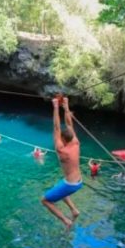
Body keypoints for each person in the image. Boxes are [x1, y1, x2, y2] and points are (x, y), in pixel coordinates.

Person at [41, 97, 82, 228]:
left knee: (45, 200)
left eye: (60, 138)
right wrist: (66, 106)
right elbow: (69, 124)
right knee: (59, 188)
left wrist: (55, 107)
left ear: (63, 139)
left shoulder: (62, 150)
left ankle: (66, 221)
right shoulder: (76, 143)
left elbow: (56, 127)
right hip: (79, 181)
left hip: (70, 184)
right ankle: (74, 211)